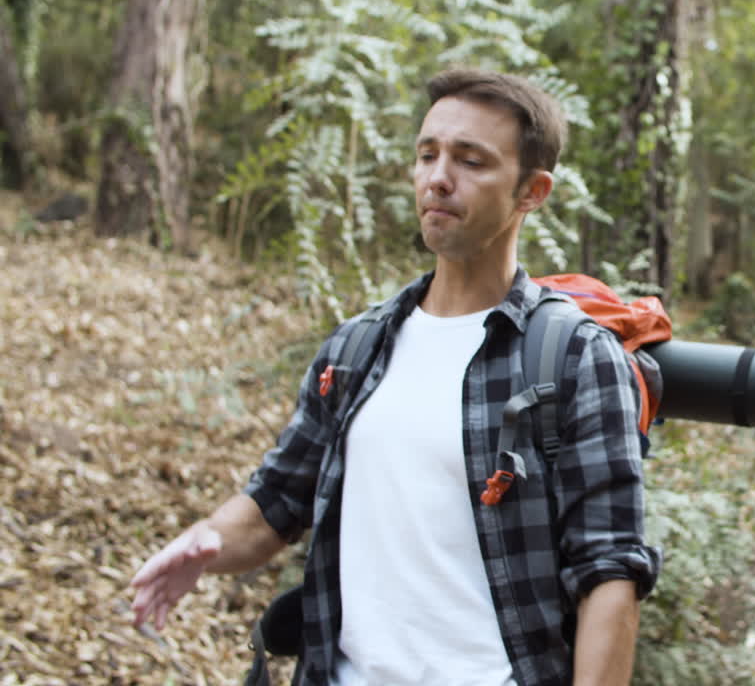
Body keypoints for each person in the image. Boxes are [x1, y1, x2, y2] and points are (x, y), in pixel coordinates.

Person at [130, 68, 661, 686]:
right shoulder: (356, 348)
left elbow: (609, 574)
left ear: (531, 192)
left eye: (471, 161)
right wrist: (204, 542)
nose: (438, 177)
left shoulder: (574, 358)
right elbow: (276, 502)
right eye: (427, 154)